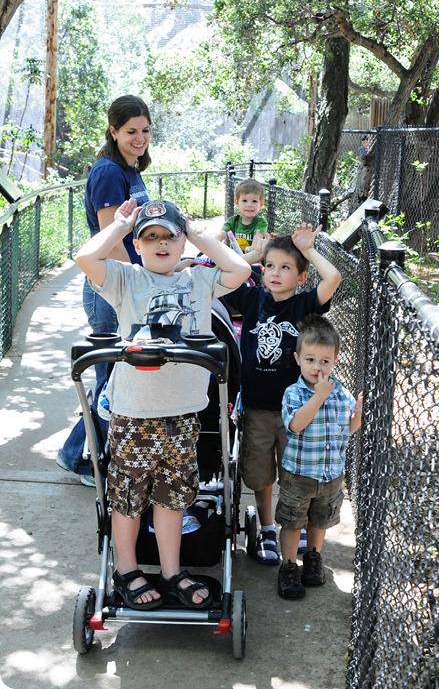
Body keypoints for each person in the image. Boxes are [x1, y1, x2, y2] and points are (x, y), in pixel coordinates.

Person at [75, 197, 251, 609]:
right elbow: (86, 258)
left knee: (173, 498)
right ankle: (126, 570)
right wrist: (121, 226)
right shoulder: (126, 279)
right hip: (134, 414)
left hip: (183, 413)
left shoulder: (199, 281)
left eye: (170, 236)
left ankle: (172, 572)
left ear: (182, 240)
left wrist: (199, 235)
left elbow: (240, 270)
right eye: (150, 237)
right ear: (138, 245)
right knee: (128, 497)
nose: (161, 243)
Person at [221, 225, 342, 565]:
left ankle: (294, 524)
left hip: (296, 411)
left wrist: (308, 250)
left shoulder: (304, 305)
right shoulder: (251, 299)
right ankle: (267, 528)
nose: (275, 273)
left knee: (294, 472)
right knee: (260, 475)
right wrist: (254, 256)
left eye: (285, 267)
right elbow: (219, 274)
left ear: (301, 277)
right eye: (270, 266)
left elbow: (333, 278)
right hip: (257, 409)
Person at [56, 95, 152, 485]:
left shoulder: (129, 167)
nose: (140, 138)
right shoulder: (109, 172)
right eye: (131, 131)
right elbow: (112, 240)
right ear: (113, 131)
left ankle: (80, 452)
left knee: (113, 377)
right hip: (110, 288)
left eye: (145, 130)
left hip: (121, 283)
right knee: (111, 379)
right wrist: (139, 284)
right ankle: (82, 457)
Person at [275, 314, 363, 598]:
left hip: (331, 475)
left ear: (335, 360)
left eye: (325, 361)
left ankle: (313, 557)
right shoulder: (294, 393)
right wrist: (319, 396)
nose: (317, 367)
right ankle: (289, 566)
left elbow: (348, 429)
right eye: (310, 359)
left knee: (319, 520)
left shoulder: (342, 394)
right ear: (298, 359)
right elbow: (296, 425)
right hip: (299, 474)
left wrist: (359, 413)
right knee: (292, 522)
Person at [216, 178, 268, 254]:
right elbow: (220, 234)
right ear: (237, 202)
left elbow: (258, 237)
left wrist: (252, 248)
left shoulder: (261, 222)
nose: (249, 205)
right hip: (234, 258)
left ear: (261, 203)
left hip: (252, 259)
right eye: (244, 201)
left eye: (254, 201)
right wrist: (213, 242)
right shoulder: (232, 221)